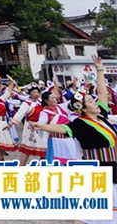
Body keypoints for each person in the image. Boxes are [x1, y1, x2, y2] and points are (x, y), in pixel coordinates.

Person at [32, 55, 117, 224]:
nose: (95, 102)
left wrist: (99, 69)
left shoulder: (102, 117)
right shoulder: (80, 123)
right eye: (90, 101)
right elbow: (64, 129)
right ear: (83, 108)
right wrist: (42, 126)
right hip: (99, 168)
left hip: (113, 166)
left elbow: (102, 92)